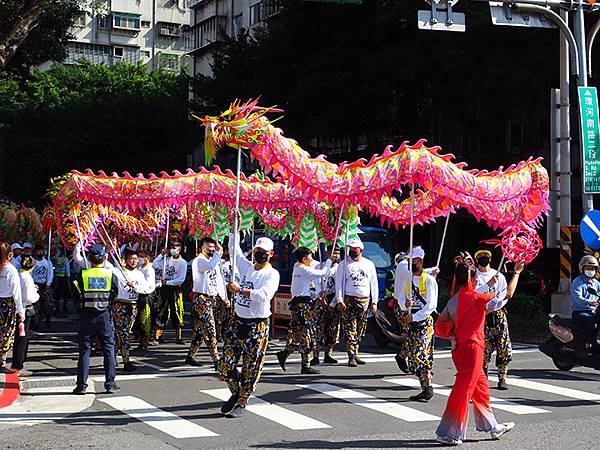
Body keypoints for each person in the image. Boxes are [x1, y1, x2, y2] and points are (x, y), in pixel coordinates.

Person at [434, 253, 515, 445]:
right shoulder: (478, 298)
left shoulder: (453, 301)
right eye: (475, 277)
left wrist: (452, 335)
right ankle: (450, 432)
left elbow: (440, 324)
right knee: (464, 389)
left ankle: (492, 426)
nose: (478, 278)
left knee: (480, 386)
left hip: (460, 348)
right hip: (473, 348)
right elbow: (504, 297)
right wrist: (514, 275)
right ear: (470, 279)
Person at [219, 233, 280, 418]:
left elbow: (264, 295)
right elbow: (234, 250)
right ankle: (236, 392)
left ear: (271, 254)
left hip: (258, 325)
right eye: (257, 251)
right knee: (225, 364)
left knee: (250, 366)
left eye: (263, 252)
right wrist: (234, 230)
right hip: (237, 321)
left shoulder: (272, 274)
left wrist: (242, 291)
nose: (259, 254)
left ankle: (243, 401)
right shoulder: (246, 267)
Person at [72, 244, 120, 394]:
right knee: (108, 350)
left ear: (89, 259)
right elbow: (115, 295)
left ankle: (81, 385)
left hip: (86, 315)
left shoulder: (83, 275)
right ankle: (110, 384)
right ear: (104, 258)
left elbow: (76, 294)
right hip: (104, 315)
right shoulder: (110, 275)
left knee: (85, 351)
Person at [277, 246, 332, 374]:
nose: (311, 259)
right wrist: (329, 261)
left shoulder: (297, 266)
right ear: (304, 259)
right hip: (303, 306)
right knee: (308, 336)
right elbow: (322, 273)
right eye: (310, 257)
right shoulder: (302, 269)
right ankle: (300, 361)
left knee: (301, 335)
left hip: (298, 304)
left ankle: (289, 355)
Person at [394, 246, 438, 402]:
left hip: (424, 323)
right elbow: (400, 299)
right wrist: (405, 304)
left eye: (415, 260)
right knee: (413, 356)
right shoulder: (408, 279)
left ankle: (428, 388)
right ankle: (425, 387)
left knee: (420, 355)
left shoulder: (430, 280)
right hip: (411, 321)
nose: (412, 263)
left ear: (421, 261)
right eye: (410, 260)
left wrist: (415, 317)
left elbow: (431, 306)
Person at [333, 238, 378, 367]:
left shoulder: (369, 264)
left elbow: (373, 284)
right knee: (350, 328)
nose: (352, 252)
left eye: (355, 250)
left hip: (364, 300)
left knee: (360, 329)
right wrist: (340, 300)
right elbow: (339, 284)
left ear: (361, 250)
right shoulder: (343, 264)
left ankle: (356, 352)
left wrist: (374, 302)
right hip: (349, 300)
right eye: (351, 250)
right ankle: (351, 355)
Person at [186, 237, 228, 370]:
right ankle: (216, 359)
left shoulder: (214, 261)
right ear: (202, 248)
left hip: (213, 299)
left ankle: (190, 356)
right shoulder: (199, 260)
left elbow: (219, 281)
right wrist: (218, 253)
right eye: (209, 247)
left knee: (199, 330)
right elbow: (209, 266)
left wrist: (224, 297)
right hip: (202, 299)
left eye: (213, 247)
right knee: (210, 329)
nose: (212, 249)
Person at [474, 249, 511, 390]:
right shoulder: (474, 276)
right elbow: (474, 294)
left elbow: (504, 293)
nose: (484, 259)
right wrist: (488, 285)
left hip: (498, 314)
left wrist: (497, 303)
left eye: (486, 256)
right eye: (481, 257)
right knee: (484, 348)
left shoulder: (499, 276)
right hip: (482, 315)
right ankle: (483, 377)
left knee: (504, 346)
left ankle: (502, 377)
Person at [112, 249, 147, 372]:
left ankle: (112, 357)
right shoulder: (118, 271)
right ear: (125, 260)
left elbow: (146, 289)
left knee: (122, 333)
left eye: (135, 259)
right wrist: (106, 252)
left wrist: (135, 286)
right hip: (120, 306)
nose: (133, 261)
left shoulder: (139, 274)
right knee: (124, 333)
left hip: (133, 307)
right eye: (131, 259)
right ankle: (126, 361)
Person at [152, 242, 187, 344]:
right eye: (171, 247)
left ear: (179, 249)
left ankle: (178, 337)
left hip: (175, 289)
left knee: (177, 310)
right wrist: (161, 255)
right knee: (161, 310)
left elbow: (181, 279)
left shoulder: (182, 262)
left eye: (174, 247)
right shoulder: (165, 260)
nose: (172, 249)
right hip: (164, 289)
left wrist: (168, 282)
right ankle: (157, 337)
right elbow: (154, 265)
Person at [11, 254, 39, 376]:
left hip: (18, 307)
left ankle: (16, 363)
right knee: (22, 338)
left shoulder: (18, 274)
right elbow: (28, 297)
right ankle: (18, 365)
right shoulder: (26, 277)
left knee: (19, 338)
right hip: (25, 309)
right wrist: (36, 295)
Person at [314, 246, 341, 364]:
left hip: (334, 298)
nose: (335, 255)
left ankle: (328, 354)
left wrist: (334, 302)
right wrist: (320, 296)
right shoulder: (320, 266)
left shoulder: (341, 268)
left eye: (337, 253)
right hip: (321, 298)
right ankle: (315, 355)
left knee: (333, 329)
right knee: (318, 328)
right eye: (333, 252)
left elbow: (341, 287)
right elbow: (316, 282)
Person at [0, 242, 25, 373]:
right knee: (6, 333)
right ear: (9, 254)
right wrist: (21, 311)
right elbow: (16, 292)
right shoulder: (11, 270)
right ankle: (1, 361)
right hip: (7, 305)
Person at [570, 255, 600, 354]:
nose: (590, 270)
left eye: (592, 268)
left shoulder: (596, 283)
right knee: (590, 321)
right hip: (580, 312)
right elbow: (578, 298)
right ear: (582, 268)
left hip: (594, 311)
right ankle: (589, 346)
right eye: (588, 268)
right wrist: (589, 302)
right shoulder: (577, 282)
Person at [134, 249, 157, 352]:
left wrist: (136, 288)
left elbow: (149, 287)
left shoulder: (149, 270)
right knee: (138, 320)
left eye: (141, 256)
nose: (139, 258)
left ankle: (145, 341)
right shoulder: (139, 268)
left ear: (147, 258)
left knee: (145, 319)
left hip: (147, 297)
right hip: (139, 295)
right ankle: (141, 340)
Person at [31, 245, 54, 328]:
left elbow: (50, 273)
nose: (40, 253)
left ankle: (48, 319)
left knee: (48, 305)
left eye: (41, 251)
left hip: (45, 285)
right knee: (35, 305)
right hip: (35, 285)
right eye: (38, 251)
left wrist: (48, 283)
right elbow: (30, 273)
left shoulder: (47, 262)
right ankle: (35, 321)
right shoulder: (32, 261)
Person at [51, 246, 72, 314]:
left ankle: (64, 305)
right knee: (58, 291)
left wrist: (68, 276)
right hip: (58, 277)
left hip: (62, 277)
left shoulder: (65, 259)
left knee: (63, 291)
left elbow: (67, 268)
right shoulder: (57, 258)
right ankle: (58, 306)